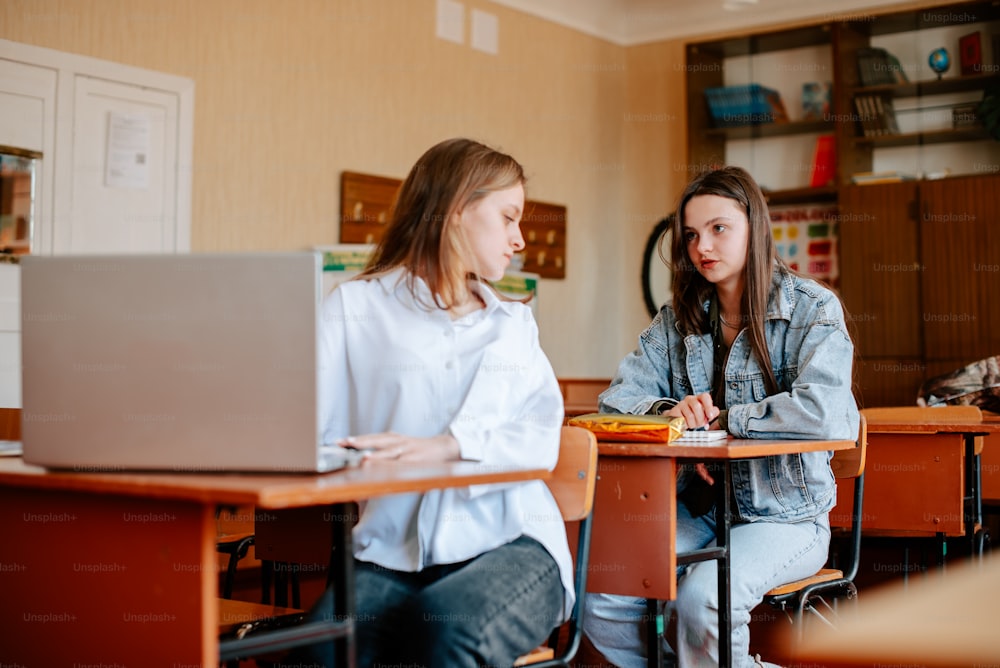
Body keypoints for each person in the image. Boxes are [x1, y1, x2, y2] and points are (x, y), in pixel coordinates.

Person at [301, 137, 573, 668]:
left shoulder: (513, 326)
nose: (519, 239)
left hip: (512, 540)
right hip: (390, 549)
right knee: (321, 649)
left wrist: (443, 449)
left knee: (447, 633)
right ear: (456, 210)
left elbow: (539, 441)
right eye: (508, 217)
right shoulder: (355, 308)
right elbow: (313, 431)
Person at [581, 166, 860, 668]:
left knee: (699, 598)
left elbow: (824, 415)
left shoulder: (813, 310)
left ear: (755, 226)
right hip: (702, 508)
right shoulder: (676, 319)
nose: (701, 246)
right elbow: (615, 402)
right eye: (691, 234)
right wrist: (672, 413)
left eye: (719, 228)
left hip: (788, 517)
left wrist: (728, 419)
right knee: (606, 587)